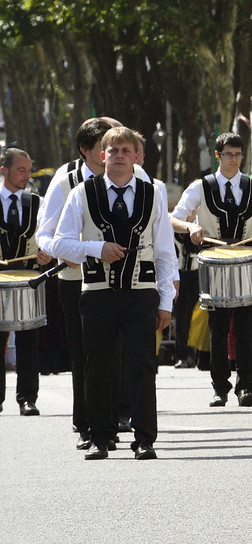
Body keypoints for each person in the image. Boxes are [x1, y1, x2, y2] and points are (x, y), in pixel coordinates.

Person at [51, 127, 175, 460]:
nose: (119, 156)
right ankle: (99, 437)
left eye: (125, 150)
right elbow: (58, 242)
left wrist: (166, 302)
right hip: (97, 292)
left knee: (142, 365)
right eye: (113, 150)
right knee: (98, 366)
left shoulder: (154, 194)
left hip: (141, 292)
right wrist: (95, 247)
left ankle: (145, 438)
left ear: (137, 157)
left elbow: (165, 252)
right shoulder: (81, 193)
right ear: (101, 156)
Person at [172, 133, 252, 408]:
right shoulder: (200, 187)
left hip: (245, 262)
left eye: (238, 155)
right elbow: (174, 219)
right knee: (218, 329)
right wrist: (192, 227)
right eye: (228, 154)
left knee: (245, 328)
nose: (234, 160)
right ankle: (220, 387)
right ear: (217, 155)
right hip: (214, 263)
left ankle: (245, 386)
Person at [0, 147, 48, 416]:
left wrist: (47, 255)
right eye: (21, 170)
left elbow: (49, 235)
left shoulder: (37, 203)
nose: (27, 175)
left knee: (30, 337)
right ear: (3, 170)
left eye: (29, 170)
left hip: (28, 279)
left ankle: (27, 398)